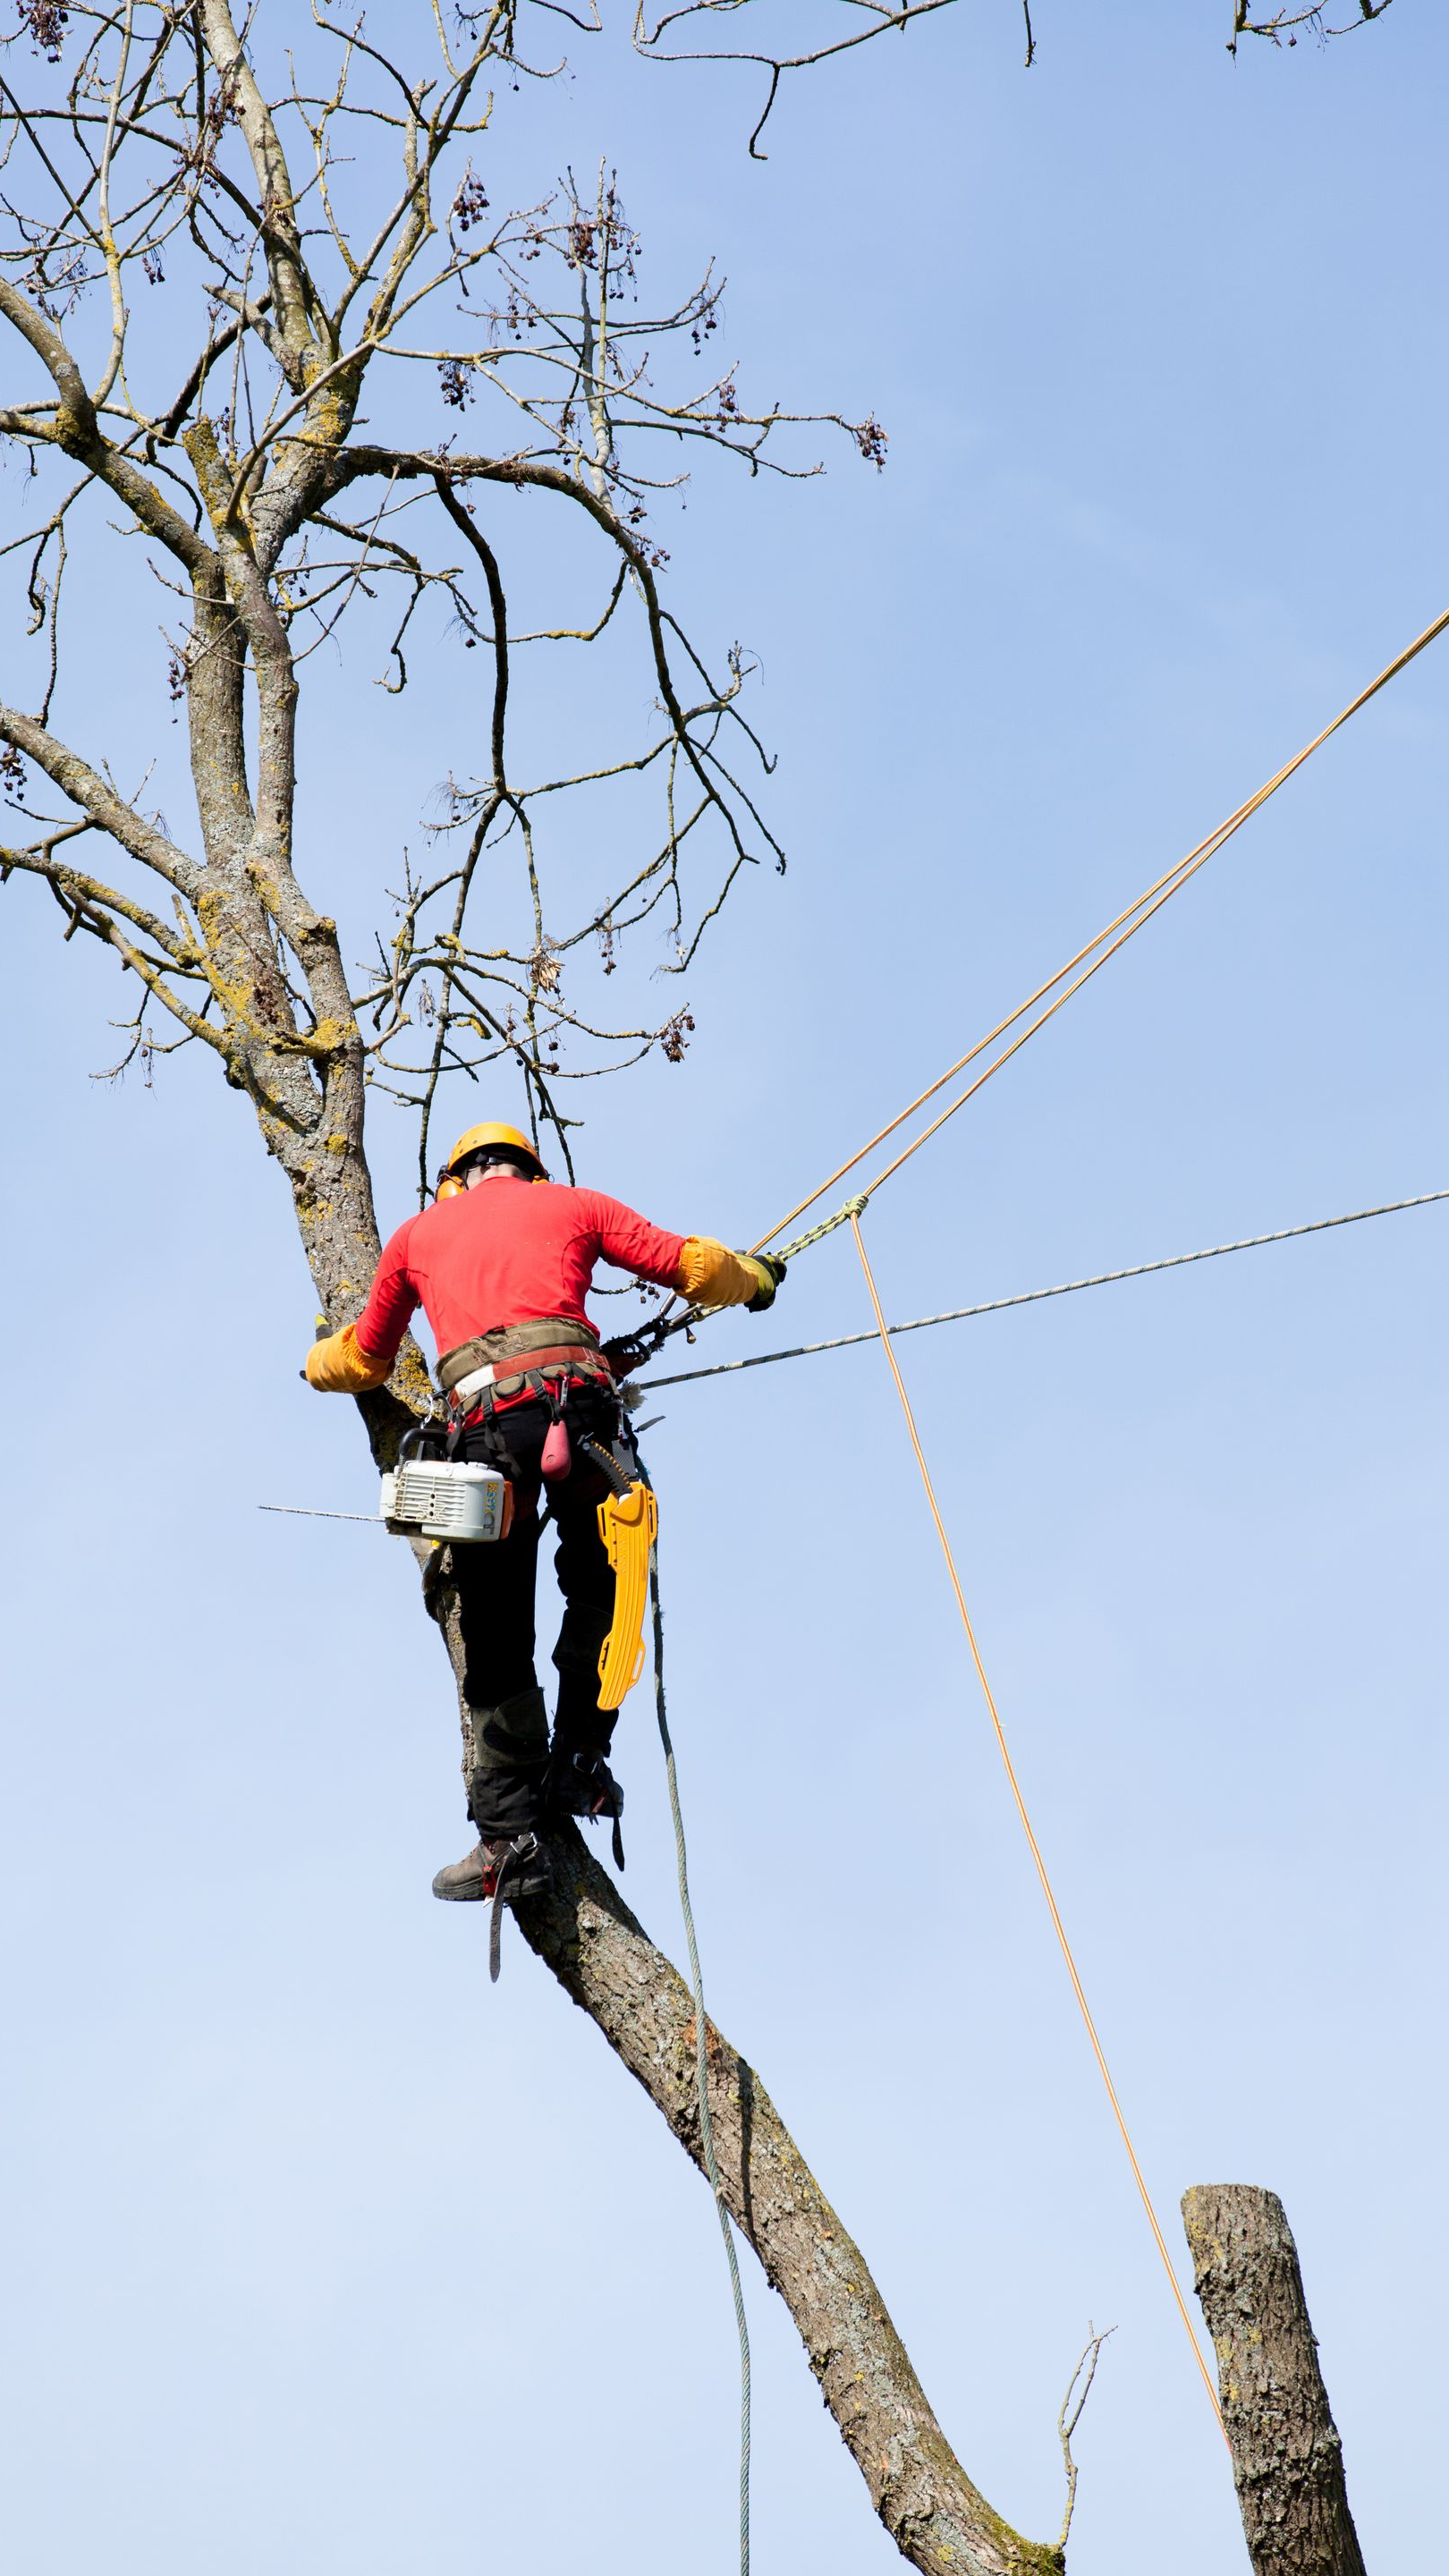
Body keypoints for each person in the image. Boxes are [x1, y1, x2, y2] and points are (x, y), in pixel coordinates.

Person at [303, 1122, 784, 1906]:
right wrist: (756, 1279)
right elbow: (693, 1267)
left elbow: (363, 1360)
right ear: (533, 1172)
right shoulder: (576, 1205)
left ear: (454, 1180)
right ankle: (583, 1761)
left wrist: (316, 1356)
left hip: (485, 1433)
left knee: (496, 1632)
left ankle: (509, 1839)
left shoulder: (418, 1234)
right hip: (584, 1418)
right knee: (606, 1594)